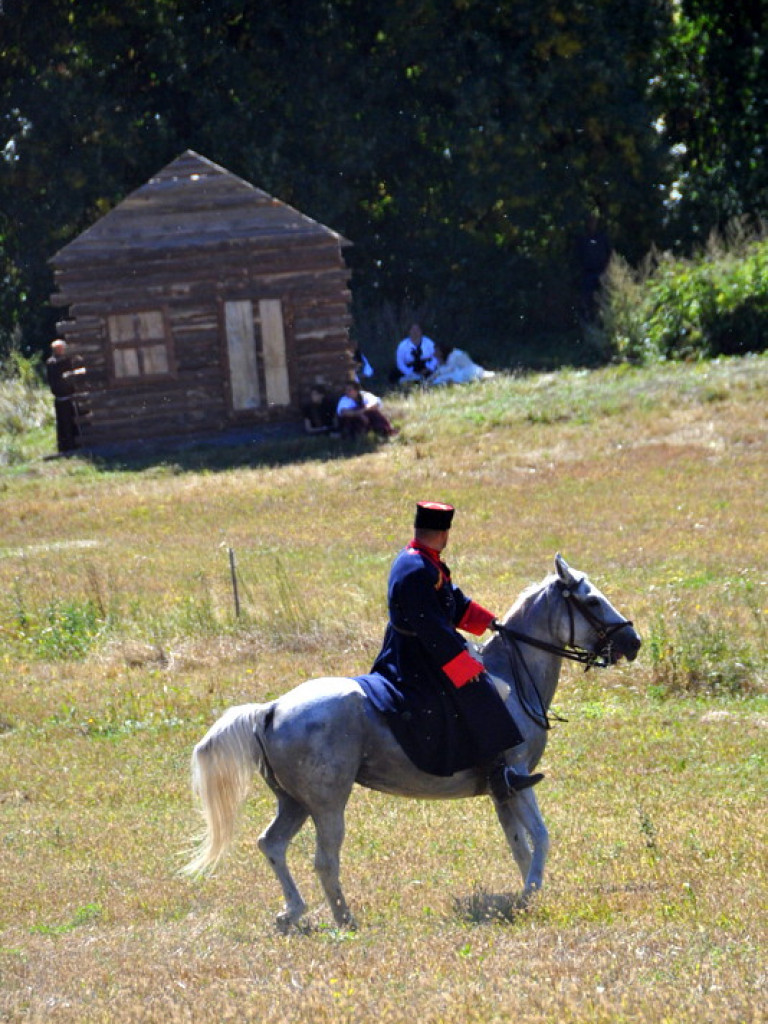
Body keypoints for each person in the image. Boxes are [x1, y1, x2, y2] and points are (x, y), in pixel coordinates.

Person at [356, 501, 543, 797]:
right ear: (444, 534)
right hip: (417, 655)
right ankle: (498, 774)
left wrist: (488, 621)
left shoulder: (423, 560)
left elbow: (451, 599)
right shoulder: (417, 569)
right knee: (480, 689)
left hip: (427, 646)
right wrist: (462, 666)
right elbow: (431, 628)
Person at [45, 338, 85, 453]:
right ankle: (66, 447)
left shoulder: (67, 360)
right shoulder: (52, 362)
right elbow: (61, 371)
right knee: (64, 424)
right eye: (59, 349)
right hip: (62, 398)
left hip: (70, 397)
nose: (62, 351)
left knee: (74, 422)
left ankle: (76, 445)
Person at [575, 214, 612, 321]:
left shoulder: (602, 237)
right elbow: (578, 255)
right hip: (587, 273)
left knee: (603, 296)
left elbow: (609, 253)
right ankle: (587, 315)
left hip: (601, 272)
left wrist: (607, 268)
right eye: (590, 222)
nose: (592, 224)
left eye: (594, 222)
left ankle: (602, 317)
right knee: (587, 296)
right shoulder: (583, 238)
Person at [428, 343, 494, 386]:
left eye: (436, 351)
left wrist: (436, 375)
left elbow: (449, 369)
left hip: (468, 372)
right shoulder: (443, 359)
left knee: (443, 378)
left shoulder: (455, 354)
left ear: (441, 351)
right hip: (461, 372)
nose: (434, 353)